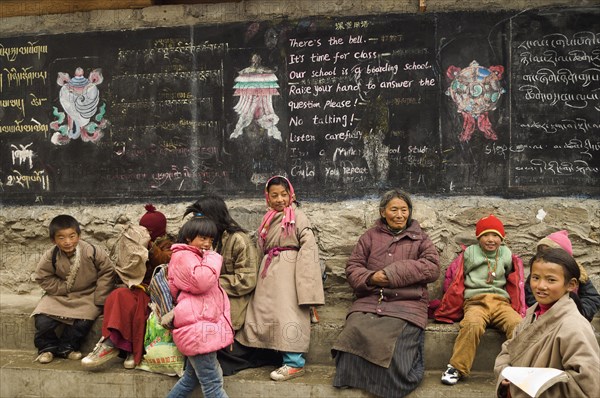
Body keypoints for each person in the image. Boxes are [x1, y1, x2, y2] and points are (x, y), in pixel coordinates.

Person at [332, 189, 440, 397]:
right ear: (383, 212)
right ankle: (353, 376)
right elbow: (353, 267)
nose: (400, 215)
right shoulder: (370, 237)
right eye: (394, 210)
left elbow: (432, 267)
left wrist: (391, 274)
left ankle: (389, 385)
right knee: (354, 330)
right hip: (371, 300)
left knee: (394, 343)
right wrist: (372, 278)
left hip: (406, 305)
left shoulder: (421, 239)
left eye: (404, 210)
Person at [235, 175, 325, 381]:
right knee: (261, 311)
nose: (279, 199)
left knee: (288, 312)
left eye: (284, 194)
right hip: (269, 271)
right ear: (267, 198)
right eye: (274, 195)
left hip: (290, 270)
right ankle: (266, 352)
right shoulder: (267, 219)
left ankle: (294, 363)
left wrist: (306, 281)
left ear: (291, 194)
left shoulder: (299, 216)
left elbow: (308, 246)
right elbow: (260, 246)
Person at [184, 196, 277, 376]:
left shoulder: (238, 240)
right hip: (206, 301)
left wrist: (210, 282)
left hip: (233, 302)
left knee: (215, 348)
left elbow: (247, 280)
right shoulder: (205, 240)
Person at [494, 248, 600, 398]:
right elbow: (508, 350)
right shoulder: (532, 315)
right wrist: (505, 377)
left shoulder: (573, 326)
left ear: (571, 284)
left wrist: (521, 389)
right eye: (536, 277)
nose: (541, 286)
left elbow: (588, 386)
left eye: (551, 280)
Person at [435, 214, 526, 386]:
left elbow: (513, 278)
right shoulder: (470, 253)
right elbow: (458, 276)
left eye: (495, 235)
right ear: (478, 237)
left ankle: (520, 366)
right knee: (472, 325)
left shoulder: (506, 254)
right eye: (485, 235)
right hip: (476, 301)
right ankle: (457, 367)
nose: (490, 239)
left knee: (517, 325)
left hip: (501, 302)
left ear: (502, 238)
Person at [82, 204, 174, 369]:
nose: (147, 233)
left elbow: (165, 261)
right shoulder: (137, 240)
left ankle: (129, 349)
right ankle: (109, 344)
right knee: (116, 296)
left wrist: (150, 247)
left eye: (150, 230)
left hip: (156, 293)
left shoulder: (169, 246)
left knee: (137, 307)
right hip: (135, 287)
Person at [32, 214, 115, 364]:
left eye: (72, 236)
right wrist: (63, 287)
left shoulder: (92, 251)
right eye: (61, 238)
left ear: (79, 235)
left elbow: (107, 271)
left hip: (88, 294)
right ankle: (47, 348)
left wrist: (100, 297)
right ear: (53, 240)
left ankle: (67, 348)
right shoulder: (51, 255)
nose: (68, 242)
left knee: (84, 321)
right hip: (61, 295)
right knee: (42, 319)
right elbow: (42, 277)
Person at [166, 215, 233, 398]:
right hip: (198, 330)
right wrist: (213, 257)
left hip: (200, 327)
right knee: (213, 384)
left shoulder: (194, 256)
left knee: (191, 379)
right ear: (189, 237)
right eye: (202, 238)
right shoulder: (184, 256)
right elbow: (202, 282)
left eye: (211, 239)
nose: (207, 243)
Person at [524, 230, 600, 321]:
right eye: (542, 251)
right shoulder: (538, 275)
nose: (541, 285)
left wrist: (580, 313)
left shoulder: (579, 274)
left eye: (551, 280)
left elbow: (592, 297)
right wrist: (546, 308)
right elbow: (530, 295)